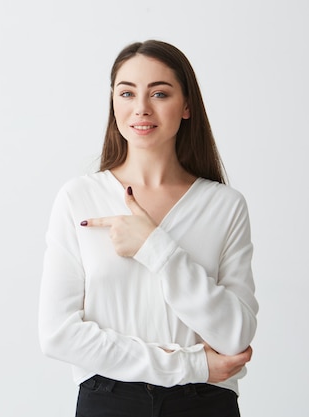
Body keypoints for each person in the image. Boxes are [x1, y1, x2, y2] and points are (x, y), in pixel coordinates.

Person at [38, 40, 258, 417]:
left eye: (159, 93)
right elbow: (58, 335)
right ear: (114, 103)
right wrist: (191, 365)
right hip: (110, 400)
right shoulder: (79, 198)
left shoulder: (225, 205)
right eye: (127, 93)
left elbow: (235, 336)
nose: (141, 107)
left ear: (187, 105)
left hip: (205, 404)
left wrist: (155, 247)